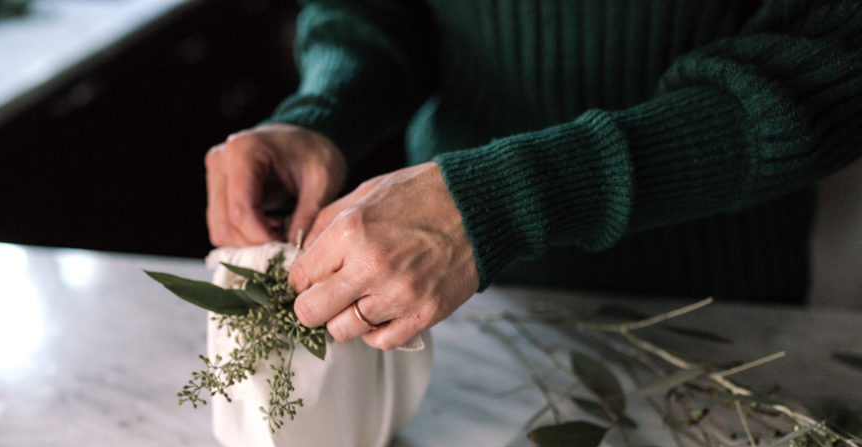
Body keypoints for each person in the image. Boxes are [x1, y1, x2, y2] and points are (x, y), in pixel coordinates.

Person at [204, 0, 862, 350]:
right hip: (457, 305)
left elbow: (832, 61)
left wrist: (507, 199)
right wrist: (320, 113)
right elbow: (378, 9)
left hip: (717, 306)